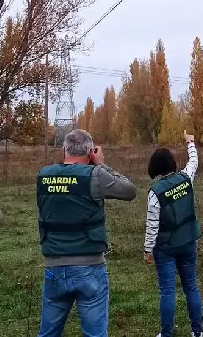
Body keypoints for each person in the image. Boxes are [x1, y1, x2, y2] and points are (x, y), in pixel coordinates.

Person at [36, 129, 137, 337]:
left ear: (64, 150)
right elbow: (129, 190)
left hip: (54, 265)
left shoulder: (43, 175)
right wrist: (100, 164)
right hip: (90, 266)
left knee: (48, 333)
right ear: (91, 152)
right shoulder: (96, 175)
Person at [144, 130, 203, 337]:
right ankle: (197, 332)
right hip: (188, 242)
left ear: (155, 168)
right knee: (191, 287)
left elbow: (152, 225)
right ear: (171, 163)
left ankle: (166, 333)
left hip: (166, 248)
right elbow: (193, 162)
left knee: (167, 292)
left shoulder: (155, 192)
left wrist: (147, 250)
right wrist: (190, 143)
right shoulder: (186, 178)